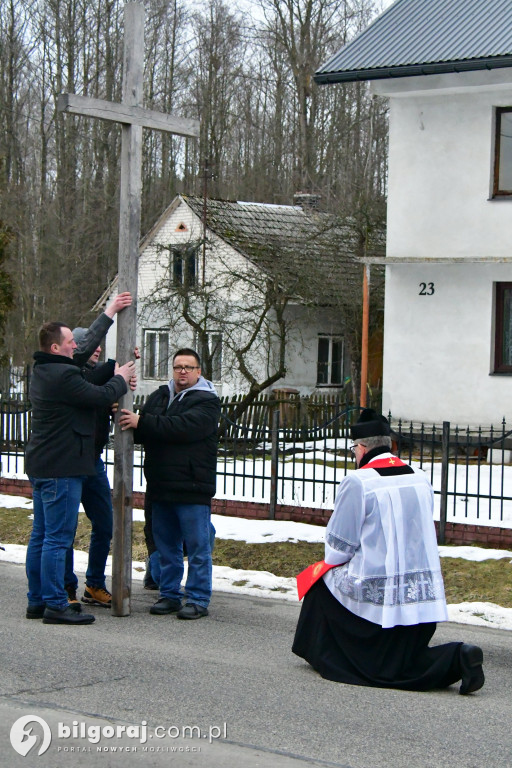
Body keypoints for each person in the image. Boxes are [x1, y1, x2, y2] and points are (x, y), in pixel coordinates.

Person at [292, 408, 485, 695]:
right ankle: (456, 658)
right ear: (388, 444)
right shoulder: (418, 477)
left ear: (361, 447)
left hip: (377, 603)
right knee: (405, 660)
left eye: (353, 449)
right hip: (419, 600)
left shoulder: (359, 482)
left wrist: (333, 564)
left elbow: (338, 548)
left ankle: (330, 656)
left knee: (320, 582)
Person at [25, 321, 135, 625]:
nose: (77, 345)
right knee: (57, 539)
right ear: (56, 348)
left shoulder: (46, 370)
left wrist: (110, 316)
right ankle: (56, 603)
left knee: (42, 536)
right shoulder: (63, 374)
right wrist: (121, 379)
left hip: (46, 465)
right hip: (62, 468)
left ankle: (37, 601)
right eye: (71, 341)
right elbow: (99, 396)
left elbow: (91, 366)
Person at [119, 348, 221, 619]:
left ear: (199, 371)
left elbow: (182, 428)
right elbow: (142, 430)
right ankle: (170, 594)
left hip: (191, 487)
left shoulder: (207, 402)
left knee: (198, 547)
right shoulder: (160, 396)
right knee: (167, 547)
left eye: (188, 367)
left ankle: (198, 599)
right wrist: (124, 414)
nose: (183, 372)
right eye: (178, 367)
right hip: (161, 486)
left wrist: (144, 421)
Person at [63, 319, 138, 609]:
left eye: (98, 346)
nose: (95, 350)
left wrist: (116, 398)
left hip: (92, 464)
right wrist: (119, 365)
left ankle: (94, 584)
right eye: (89, 345)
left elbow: (107, 391)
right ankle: (66, 587)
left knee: (105, 525)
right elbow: (93, 385)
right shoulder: (71, 376)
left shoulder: (100, 380)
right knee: (65, 531)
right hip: (69, 464)